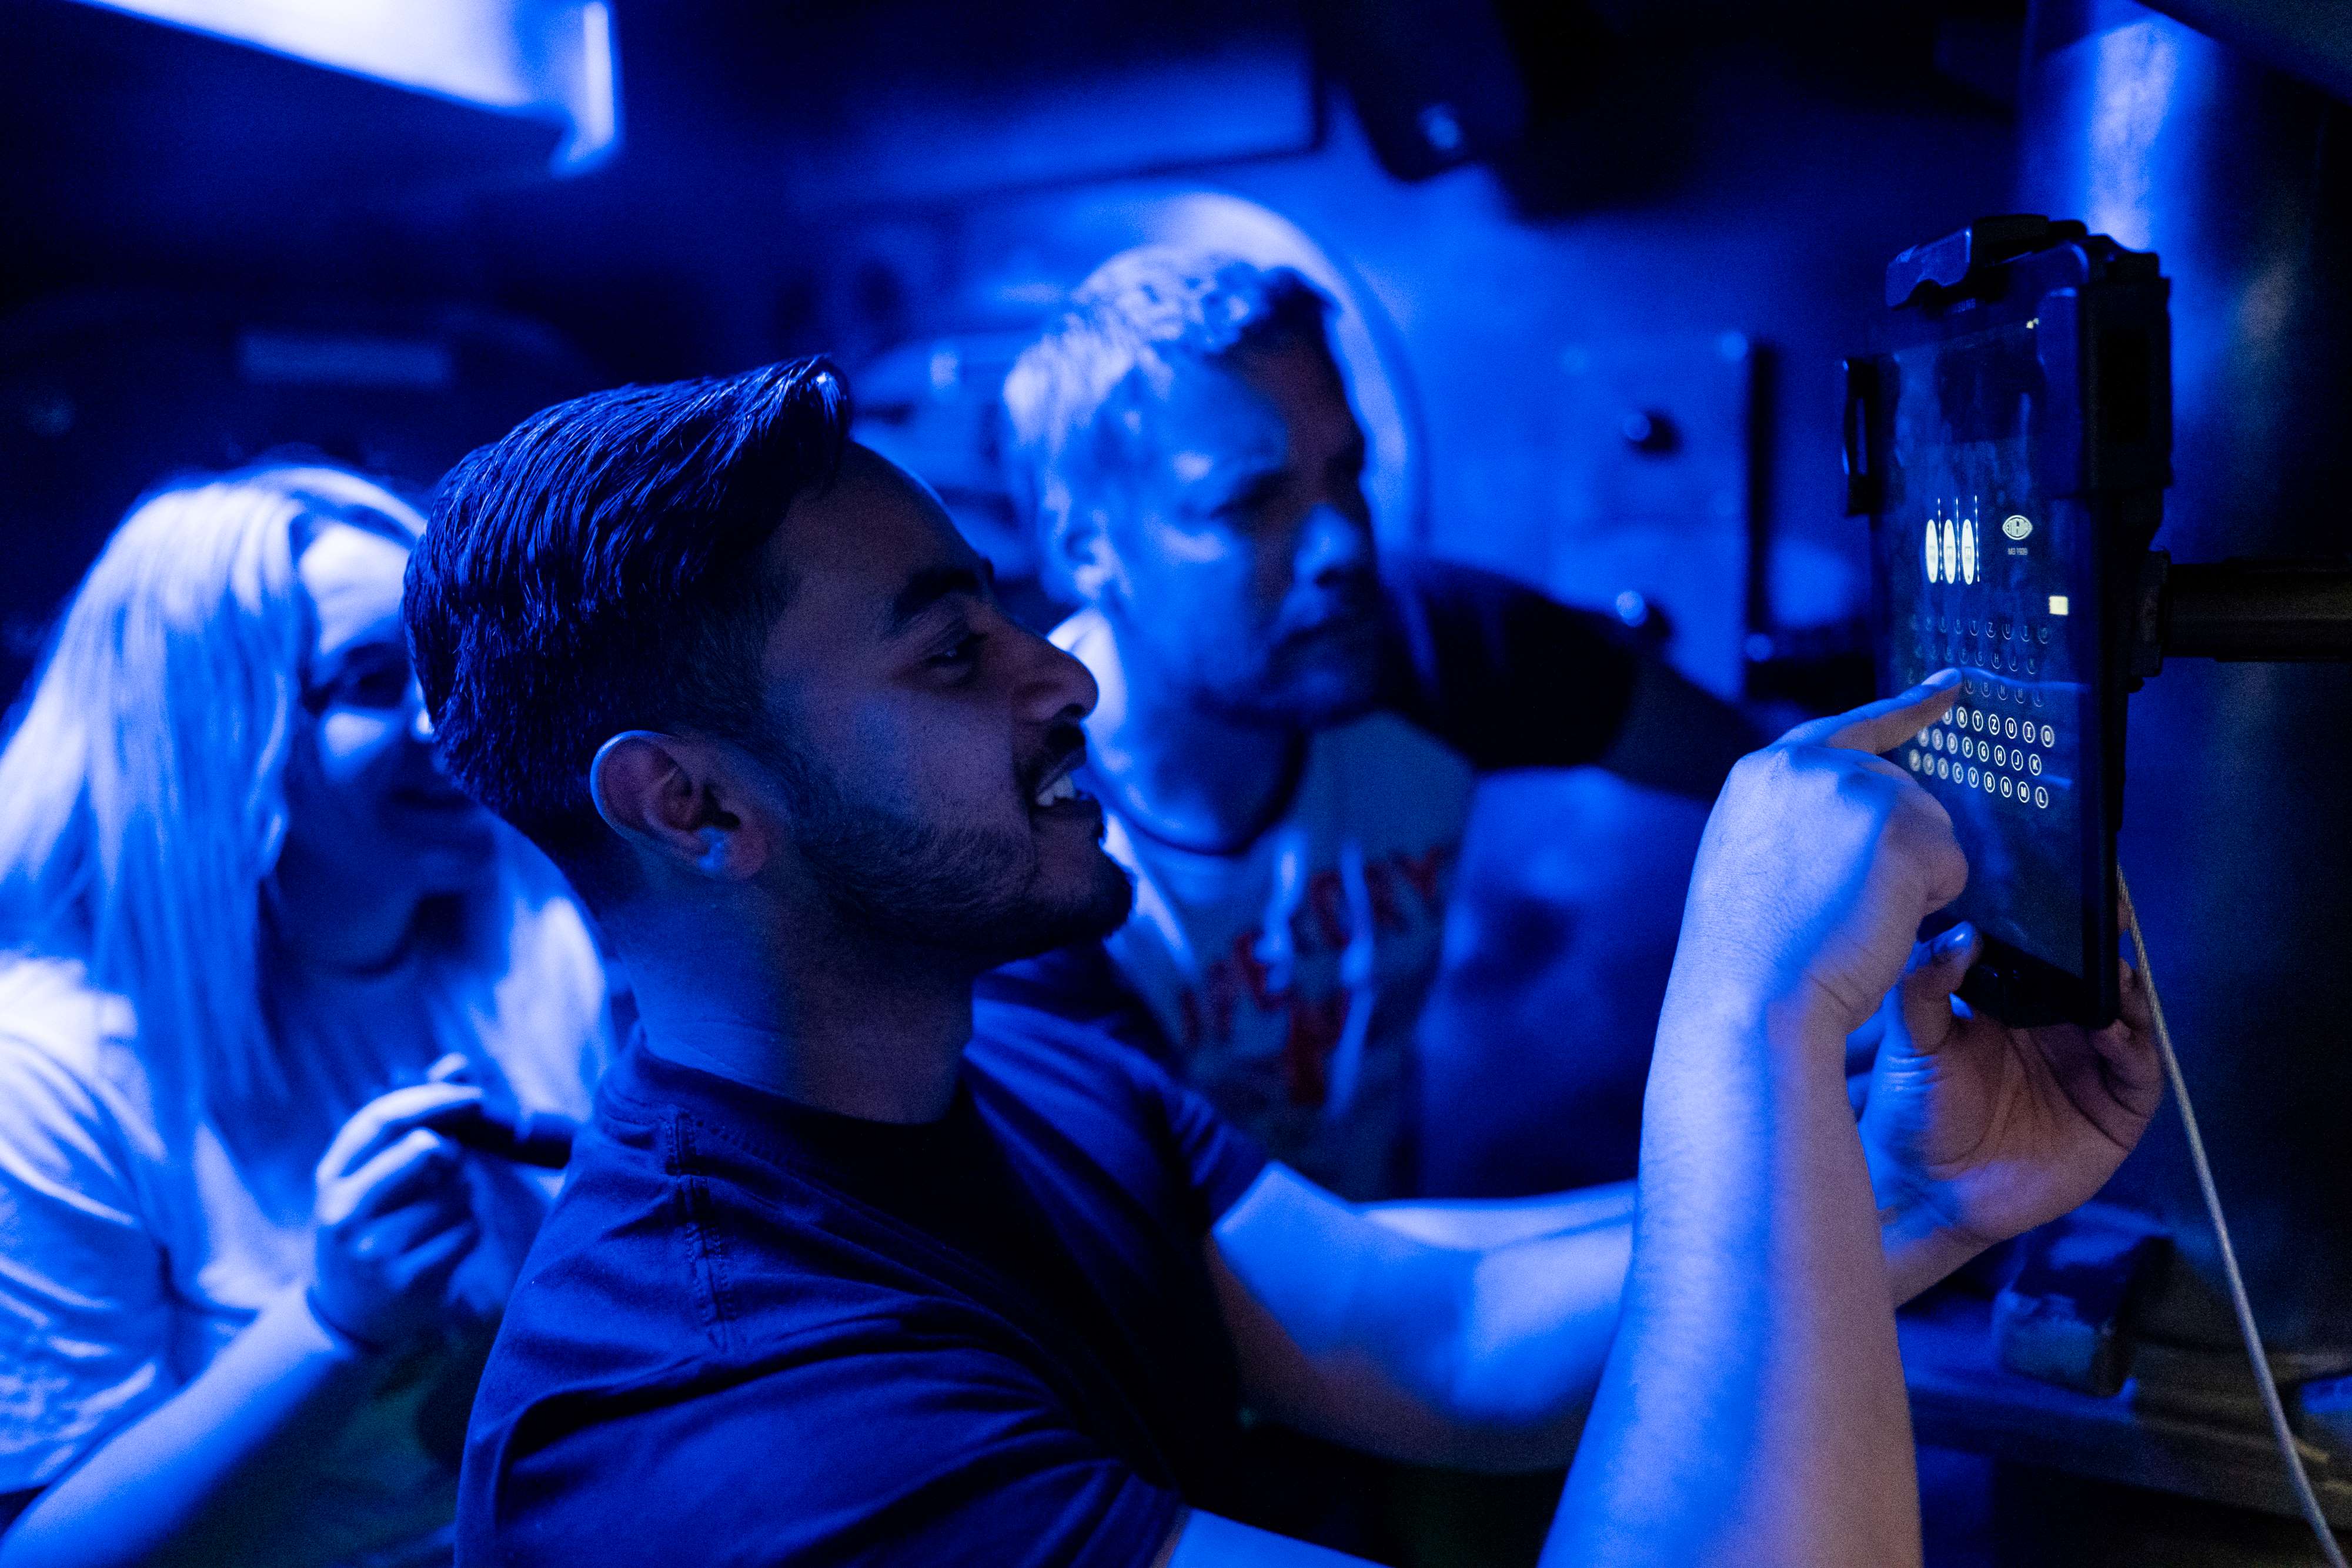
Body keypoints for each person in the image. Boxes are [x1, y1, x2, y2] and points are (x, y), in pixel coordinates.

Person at [408, 360, 2161, 1567]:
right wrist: (1755, 1013)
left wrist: (1900, 1187)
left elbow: (1443, 1337)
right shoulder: (733, 1434)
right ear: (696, 805)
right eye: (952, 653)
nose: (1062, 676)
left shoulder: (1002, 1060)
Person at [988, 246, 1762, 1202]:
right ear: (1085, 547)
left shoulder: (1423, 640)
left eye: (1347, 474)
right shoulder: (1016, 844)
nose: (1346, 545)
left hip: (1394, 1248)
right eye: (1248, 503)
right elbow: (1288, 1306)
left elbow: (1774, 782)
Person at [0, 466, 612, 1568]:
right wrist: (332, 1328)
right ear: (210, 741)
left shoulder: (537, 956)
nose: (454, 717)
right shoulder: (45, 1078)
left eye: (457, 662)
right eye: (376, 679)